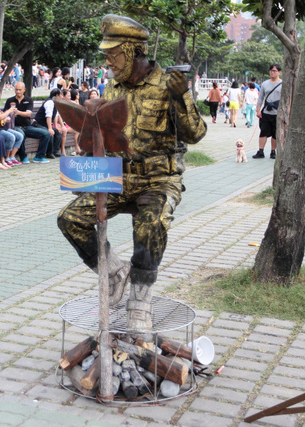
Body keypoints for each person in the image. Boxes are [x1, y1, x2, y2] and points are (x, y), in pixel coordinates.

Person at [57, 14, 206, 333]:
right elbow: (107, 137)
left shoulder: (169, 83)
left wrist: (182, 98)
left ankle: (140, 300)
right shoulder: (113, 87)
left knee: (150, 225)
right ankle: (114, 271)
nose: (108, 61)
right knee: (70, 219)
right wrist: (88, 163)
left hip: (157, 181)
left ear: (133, 51)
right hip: (118, 179)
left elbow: (195, 134)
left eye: (114, 54)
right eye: (107, 55)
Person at [3, 81, 51, 164]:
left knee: (46, 133)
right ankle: (23, 157)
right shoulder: (10, 100)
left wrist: (18, 112)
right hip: (15, 126)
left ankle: (39, 156)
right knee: (21, 135)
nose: (18, 91)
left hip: (27, 126)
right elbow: (5, 113)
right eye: (16, 89)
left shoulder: (29, 100)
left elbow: (28, 113)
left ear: (24, 90)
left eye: (20, 90)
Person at [0, 86, 24, 166]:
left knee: (20, 136)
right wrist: (9, 111)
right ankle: (6, 158)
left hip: (2, 127)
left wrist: (6, 118)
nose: (0, 95)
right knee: (11, 137)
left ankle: (12, 157)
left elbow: (0, 116)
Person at [253, 64, 283, 160]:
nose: (272, 72)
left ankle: (273, 151)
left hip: (277, 113)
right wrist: (258, 110)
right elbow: (260, 98)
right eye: (271, 70)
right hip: (266, 112)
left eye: (274, 71)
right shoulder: (265, 84)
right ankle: (260, 151)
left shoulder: (283, 84)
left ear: (279, 72)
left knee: (275, 133)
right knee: (263, 132)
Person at [34, 88, 64, 159]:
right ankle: (49, 153)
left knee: (57, 133)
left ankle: (55, 151)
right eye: (61, 95)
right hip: (39, 124)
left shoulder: (56, 103)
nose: (62, 97)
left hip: (45, 124)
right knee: (50, 133)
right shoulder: (49, 102)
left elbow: (55, 115)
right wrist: (50, 128)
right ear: (57, 95)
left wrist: (56, 126)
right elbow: (48, 116)